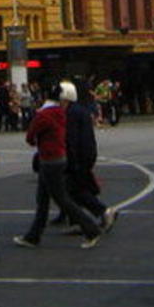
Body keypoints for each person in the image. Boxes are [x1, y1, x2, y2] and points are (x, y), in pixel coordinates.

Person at [13, 82, 105, 249]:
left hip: (48, 159)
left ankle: (90, 228)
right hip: (59, 158)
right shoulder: (61, 113)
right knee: (44, 199)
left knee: (61, 199)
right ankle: (33, 235)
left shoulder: (43, 115)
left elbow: (30, 138)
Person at [65, 78, 120, 232]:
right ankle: (79, 220)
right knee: (78, 188)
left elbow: (73, 138)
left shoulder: (73, 112)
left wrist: (72, 158)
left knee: (74, 189)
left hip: (79, 156)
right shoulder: (83, 109)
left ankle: (100, 212)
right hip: (88, 153)